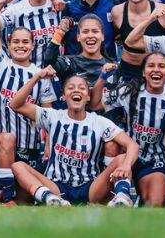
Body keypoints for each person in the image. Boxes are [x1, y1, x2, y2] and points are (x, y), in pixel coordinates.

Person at [8, 68, 140, 206]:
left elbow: (133, 145)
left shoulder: (100, 122)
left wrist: (125, 165)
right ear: (64, 96)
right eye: (71, 88)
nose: (76, 90)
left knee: (123, 158)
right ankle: (49, 198)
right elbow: (15, 104)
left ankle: (122, 198)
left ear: (88, 97)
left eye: (82, 88)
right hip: (56, 186)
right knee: (18, 166)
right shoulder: (53, 116)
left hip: (90, 188)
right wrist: (37, 77)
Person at [98, 52, 165, 206]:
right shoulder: (129, 91)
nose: (156, 69)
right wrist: (102, 77)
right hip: (128, 158)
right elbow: (98, 102)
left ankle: (139, 195)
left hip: (155, 162)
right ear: (143, 72)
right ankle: (122, 192)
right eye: (151, 66)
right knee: (112, 145)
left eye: (161, 66)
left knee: (154, 205)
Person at [0, 0, 55, 204]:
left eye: (25, 42)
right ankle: (6, 196)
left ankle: (9, 198)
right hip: (2, 144)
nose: (20, 45)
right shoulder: (0, 63)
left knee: (26, 204)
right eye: (16, 41)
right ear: (9, 43)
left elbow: (48, 114)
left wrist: (49, 143)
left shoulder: (41, 73)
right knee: (7, 139)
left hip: (31, 146)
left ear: (32, 46)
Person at [111, 0, 165, 79]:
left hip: (155, 71)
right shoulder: (117, 12)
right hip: (128, 70)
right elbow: (116, 36)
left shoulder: (164, 10)